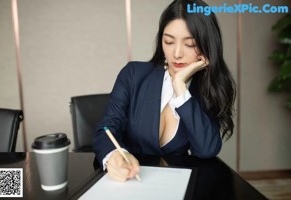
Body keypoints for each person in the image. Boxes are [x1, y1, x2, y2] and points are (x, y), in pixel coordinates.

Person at [93, 0, 236, 182]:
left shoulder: (206, 91)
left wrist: (180, 87)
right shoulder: (133, 74)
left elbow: (207, 149)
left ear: (207, 46)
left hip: (172, 185)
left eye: (190, 44)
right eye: (168, 41)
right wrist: (115, 155)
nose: (176, 53)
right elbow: (106, 129)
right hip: (128, 182)